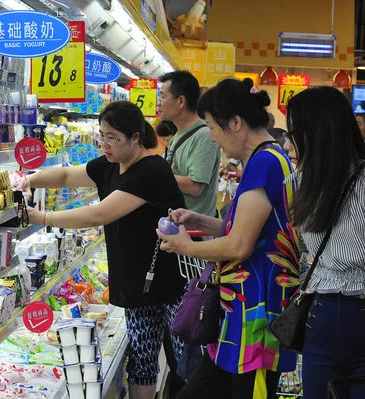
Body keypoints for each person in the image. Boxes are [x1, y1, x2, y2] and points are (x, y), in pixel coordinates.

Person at [23, 101, 186, 399]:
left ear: (136, 137)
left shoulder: (152, 169)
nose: (105, 144)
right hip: (137, 279)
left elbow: (100, 214)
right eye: (102, 135)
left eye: (113, 137)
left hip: (170, 279)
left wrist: (43, 218)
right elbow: (66, 176)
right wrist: (30, 179)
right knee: (142, 360)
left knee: (186, 360)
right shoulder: (109, 163)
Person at [156, 78, 299, 399]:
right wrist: (200, 220)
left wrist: (186, 246)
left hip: (257, 318)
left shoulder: (264, 163)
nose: (211, 136)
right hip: (243, 315)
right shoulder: (269, 159)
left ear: (235, 122)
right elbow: (249, 231)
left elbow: (239, 245)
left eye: (212, 126)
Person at [286, 86, 365, 399]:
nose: (289, 143)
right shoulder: (304, 180)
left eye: (295, 133)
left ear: (318, 132)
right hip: (320, 319)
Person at [159, 70, 221, 219]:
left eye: (162, 96)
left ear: (181, 101)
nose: (158, 102)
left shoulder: (204, 136)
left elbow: (195, 187)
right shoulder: (179, 134)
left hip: (195, 232)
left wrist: (154, 175)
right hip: (179, 225)